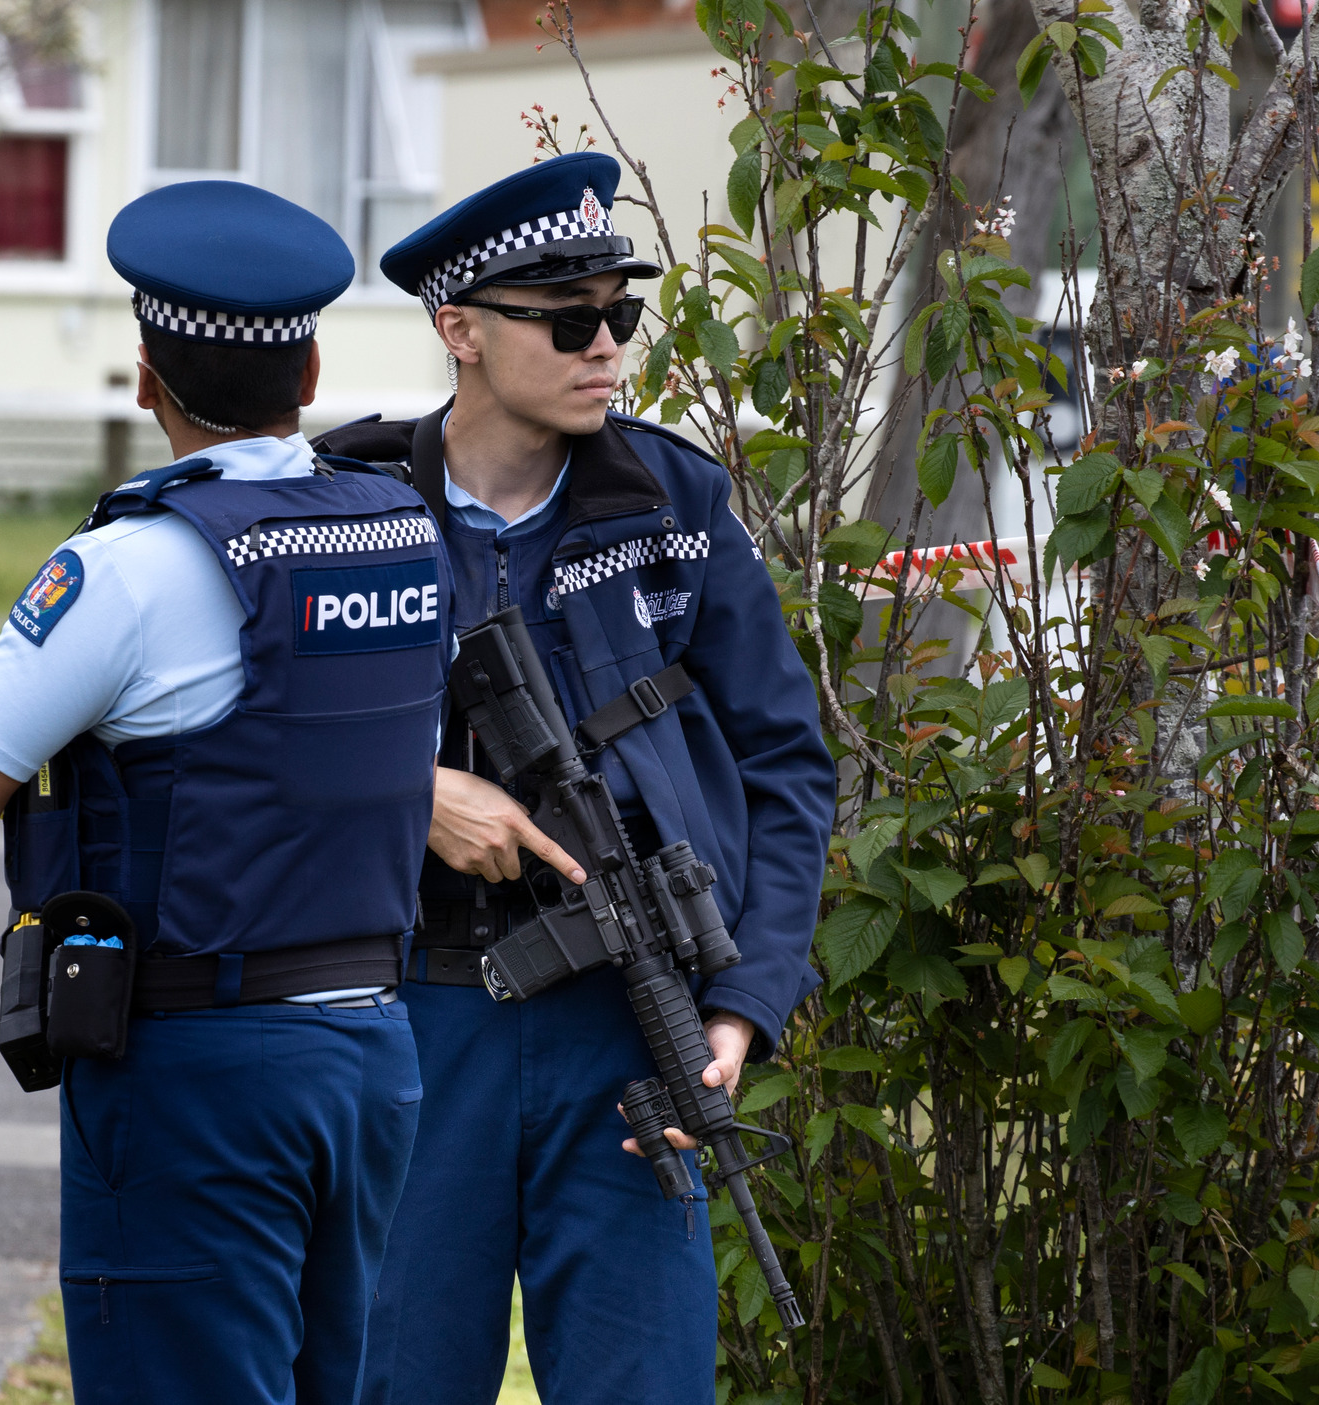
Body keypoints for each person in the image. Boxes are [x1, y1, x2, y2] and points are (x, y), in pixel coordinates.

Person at [0, 180, 458, 1405]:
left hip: (203, 1069)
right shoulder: (401, 533)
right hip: (371, 1061)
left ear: (147, 377)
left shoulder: (132, 568)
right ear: (306, 369)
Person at [312, 152, 835, 1405]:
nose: (607, 347)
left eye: (621, 314)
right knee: (393, 1376)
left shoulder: (673, 500)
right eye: (568, 320)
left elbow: (788, 764)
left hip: (629, 1029)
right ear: (462, 332)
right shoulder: (346, 506)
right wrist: (413, 793)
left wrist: (744, 1003)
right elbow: (234, 742)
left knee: (645, 1378)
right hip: (414, 1017)